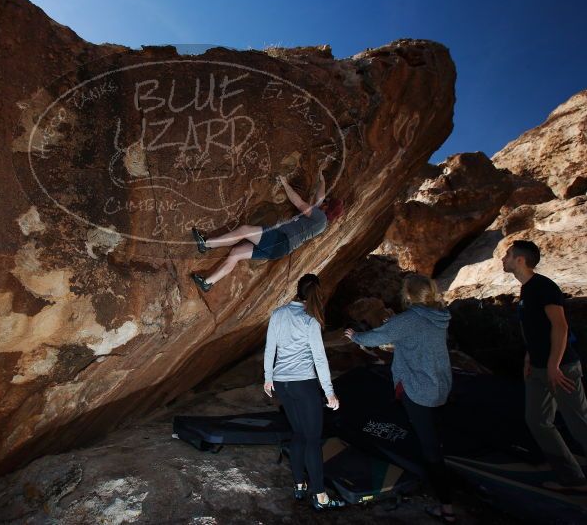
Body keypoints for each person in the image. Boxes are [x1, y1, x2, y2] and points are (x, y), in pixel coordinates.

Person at [344, 274, 455, 523]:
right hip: (440, 385)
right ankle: (431, 473)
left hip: (419, 390)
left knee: (430, 449)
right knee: (431, 436)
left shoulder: (409, 319)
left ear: (407, 296)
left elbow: (377, 337)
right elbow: (411, 337)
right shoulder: (440, 316)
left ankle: (446, 507)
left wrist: (355, 337)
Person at [501, 239, 587, 491]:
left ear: (520, 259)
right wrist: (530, 357)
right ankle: (572, 479)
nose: (503, 258)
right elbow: (536, 329)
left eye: (507, 254)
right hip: (538, 369)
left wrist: (554, 365)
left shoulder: (544, 287)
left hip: (561, 369)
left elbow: (560, 327)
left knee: (580, 423)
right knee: (537, 421)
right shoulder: (526, 290)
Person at [263, 273, 344, 511]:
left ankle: (299, 485)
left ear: (297, 290)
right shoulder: (310, 320)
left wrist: (268, 378)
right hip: (304, 384)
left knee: (298, 433)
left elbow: (270, 348)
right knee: (312, 439)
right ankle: (321, 497)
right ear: (315, 293)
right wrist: (329, 392)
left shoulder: (278, 314)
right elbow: (319, 358)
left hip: (283, 384)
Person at [190, 170, 344, 292]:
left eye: (326, 202)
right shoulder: (321, 222)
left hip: (280, 239)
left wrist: (285, 183)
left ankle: (206, 244)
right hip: (280, 248)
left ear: (327, 208)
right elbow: (320, 197)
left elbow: (298, 202)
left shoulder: (320, 217)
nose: (323, 202)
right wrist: (322, 180)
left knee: (244, 230)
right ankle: (207, 283)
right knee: (236, 253)